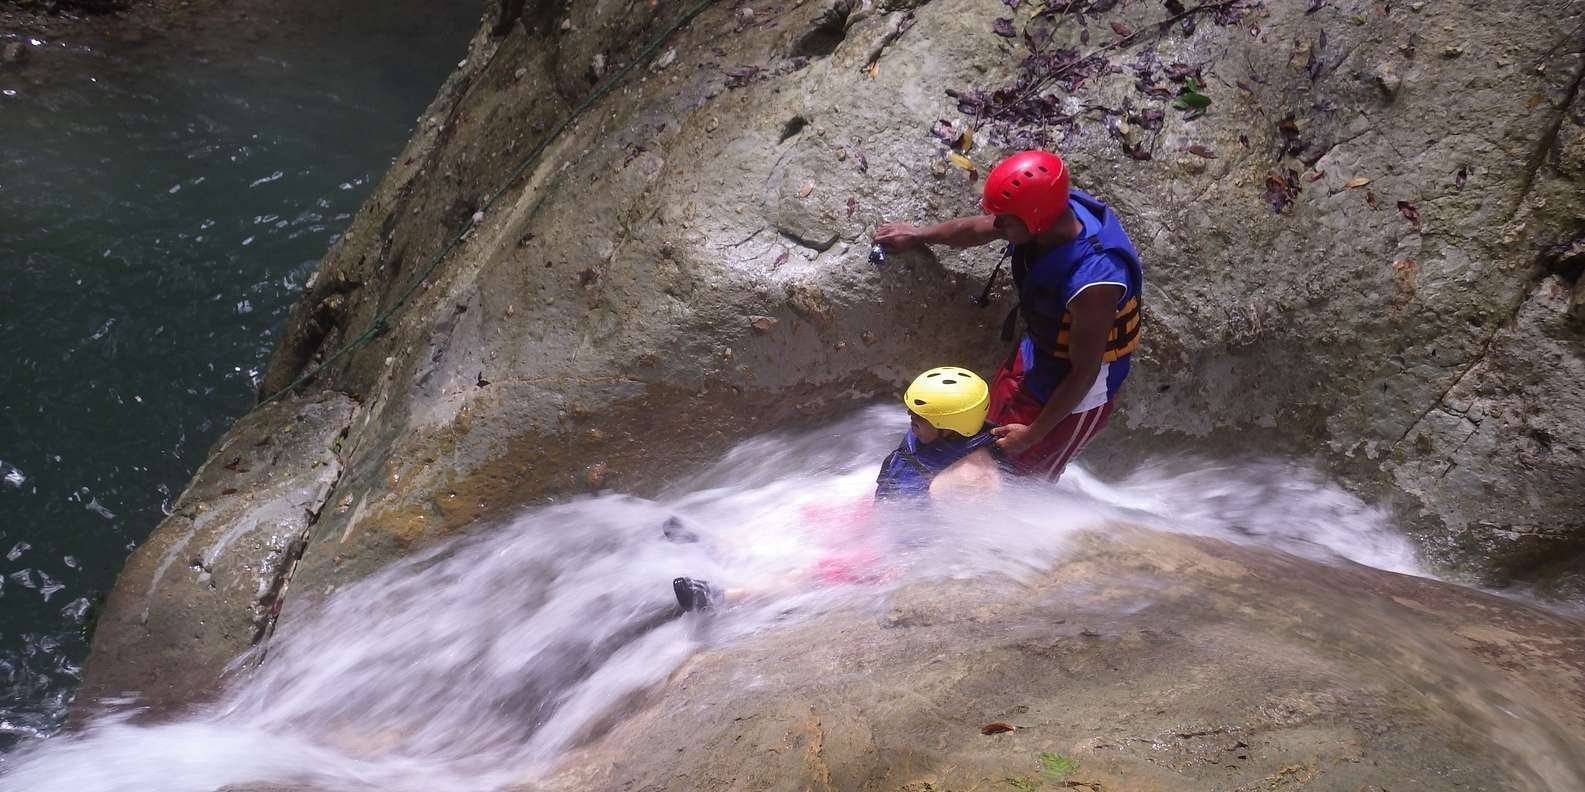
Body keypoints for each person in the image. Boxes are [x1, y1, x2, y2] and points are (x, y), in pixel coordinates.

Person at [875, 150, 1143, 480]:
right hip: (1037, 356)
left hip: (1078, 394)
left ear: (1035, 220)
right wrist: (919, 234)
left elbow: (1084, 373)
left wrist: (1034, 434)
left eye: (1006, 220)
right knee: (982, 439)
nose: (997, 225)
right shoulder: (1047, 213)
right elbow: (976, 229)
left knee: (1019, 478)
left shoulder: (1093, 283)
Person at [671, 366, 1007, 612]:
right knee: (806, 518)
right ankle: (716, 545)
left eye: (919, 417)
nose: (909, 420)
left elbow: (965, 543)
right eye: (911, 413)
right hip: (888, 515)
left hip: (899, 554)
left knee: (817, 570)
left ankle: (722, 598)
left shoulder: (968, 478)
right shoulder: (936, 435)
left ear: (951, 425)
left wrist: (908, 569)